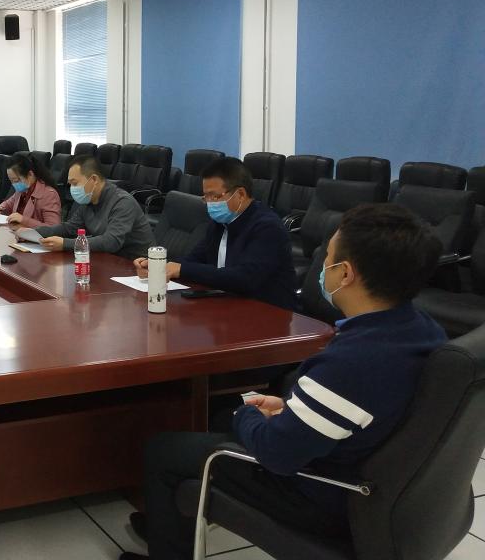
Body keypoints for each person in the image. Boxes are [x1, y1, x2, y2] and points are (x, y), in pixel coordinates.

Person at [119, 203, 445, 560]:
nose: (322, 264)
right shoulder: (423, 329)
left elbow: (276, 453)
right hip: (376, 477)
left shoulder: (355, 361)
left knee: (166, 449)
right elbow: (356, 407)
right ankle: (168, 525)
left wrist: (245, 414)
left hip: (323, 492)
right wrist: (290, 408)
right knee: (222, 417)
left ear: (345, 273)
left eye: (328, 257)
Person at [133, 156, 298, 311]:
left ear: (240, 194)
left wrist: (181, 269)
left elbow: (245, 278)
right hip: (229, 307)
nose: (209, 203)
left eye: (214, 196)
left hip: (268, 313)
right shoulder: (219, 223)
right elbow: (193, 260)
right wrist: (159, 267)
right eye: (206, 197)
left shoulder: (268, 228)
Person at [35, 155, 155, 259]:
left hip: (137, 267)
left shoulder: (122, 202)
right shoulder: (88, 201)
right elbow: (69, 228)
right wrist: (34, 233)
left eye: (75, 183)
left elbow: (111, 242)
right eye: (70, 184)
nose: (72, 188)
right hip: (108, 261)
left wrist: (64, 244)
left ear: (94, 179)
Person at [0, 153, 61, 228]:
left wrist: (23, 220)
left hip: (35, 235)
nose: (14, 184)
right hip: (17, 232)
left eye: (16, 180)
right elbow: (8, 204)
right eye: (11, 181)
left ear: (30, 174)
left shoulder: (49, 194)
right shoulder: (23, 190)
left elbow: (54, 228)